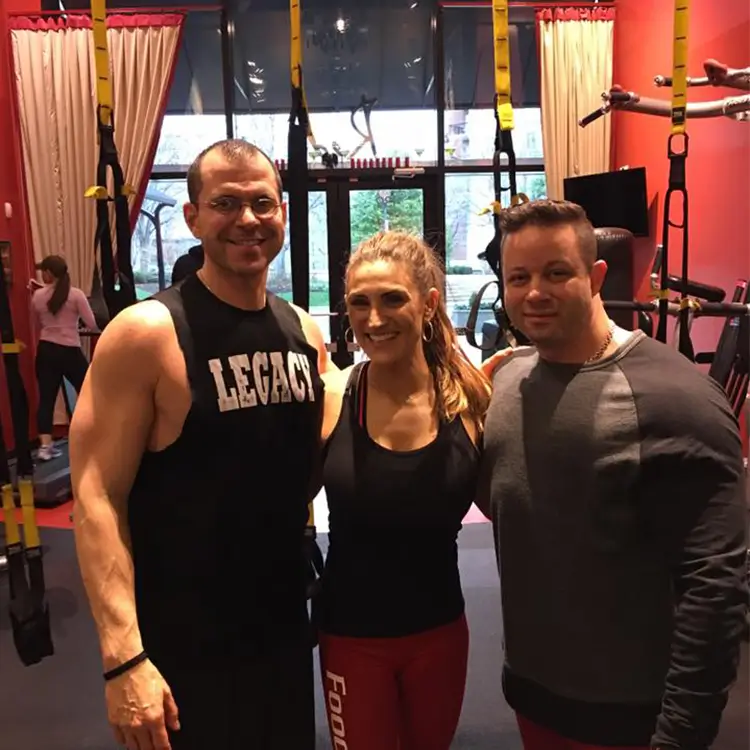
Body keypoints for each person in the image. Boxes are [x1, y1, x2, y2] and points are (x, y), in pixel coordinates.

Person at [69, 139, 332, 750]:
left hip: (283, 634)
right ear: (194, 217)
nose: (247, 220)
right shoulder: (146, 334)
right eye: (226, 204)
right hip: (181, 650)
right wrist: (122, 658)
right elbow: (96, 497)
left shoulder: (303, 333)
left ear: (284, 214)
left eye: (262, 203)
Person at [477, 200, 748, 750]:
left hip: (633, 719)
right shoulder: (506, 383)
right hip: (530, 698)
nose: (534, 293)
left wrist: (680, 736)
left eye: (557, 273)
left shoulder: (676, 398)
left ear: (596, 275)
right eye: (518, 277)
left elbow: (715, 589)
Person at [315, 230, 491, 750]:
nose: (374, 319)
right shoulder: (330, 397)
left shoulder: (471, 401)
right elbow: (270, 505)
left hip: (438, 631)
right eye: (359, 303)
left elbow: (515, 508)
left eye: (393, 298)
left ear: (429, 304)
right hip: (351, 635)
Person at [30, 254, 97, 461]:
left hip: (46, 350)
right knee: (89, 393)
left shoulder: (37, 296)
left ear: (49, 273)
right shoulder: (75, 294)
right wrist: (76, 325)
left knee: (47, 399)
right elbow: (92, 323)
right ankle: (93, 438)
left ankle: (45, 447)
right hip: (69, 350)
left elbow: (38, 321)